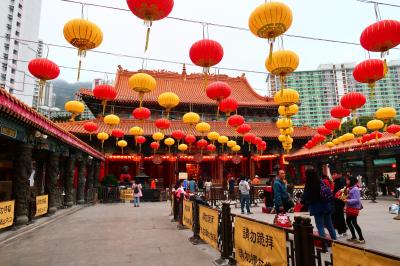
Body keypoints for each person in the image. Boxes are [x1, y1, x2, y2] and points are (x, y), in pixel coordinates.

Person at [302, 169, 337, 240]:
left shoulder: (309, 184)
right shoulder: (321, 182)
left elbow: (305, 197)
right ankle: (335, 241)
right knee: (329, 225)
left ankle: (324, 245)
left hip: (316, 207)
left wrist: (304, 202)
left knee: (320, 225)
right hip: (326, 205)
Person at [343, 176, 365, 244]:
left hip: (353, 208)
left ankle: (361, 238)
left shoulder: (355, 189)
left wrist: (347, 200)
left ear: (351, 181)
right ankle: (354, 237)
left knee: (354, 223)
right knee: (349, 222)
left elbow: (357, 200)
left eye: (347, 180)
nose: (346, 182)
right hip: (350, 207)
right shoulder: (350, 188)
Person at [332, 171, 347, 237]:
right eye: (332, 174)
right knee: (340, 216)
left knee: (338, 216)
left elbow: (339, 192)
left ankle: (340, 231)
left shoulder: (339, 182)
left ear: (338, 174)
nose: (333, 176)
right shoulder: (341, 180)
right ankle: (343, 230)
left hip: (338, 201)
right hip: (341, 200)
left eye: (334, 174)